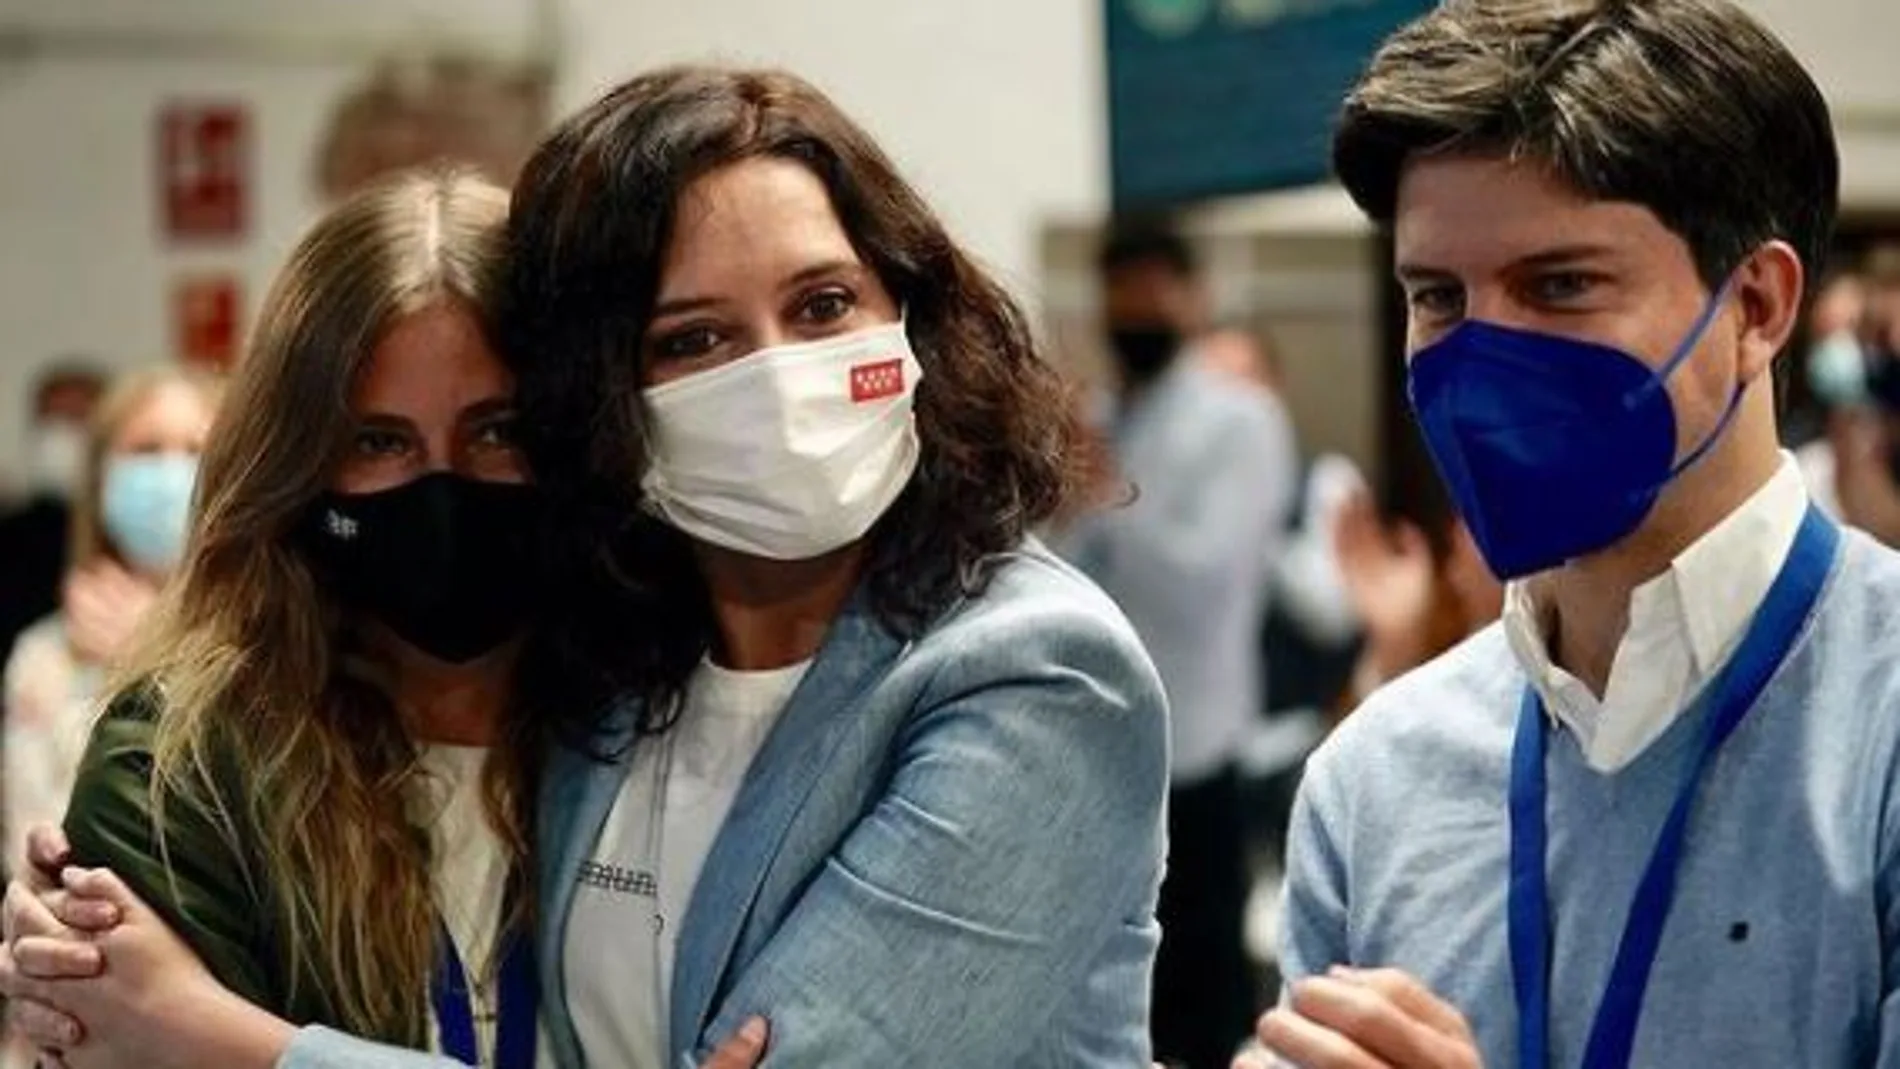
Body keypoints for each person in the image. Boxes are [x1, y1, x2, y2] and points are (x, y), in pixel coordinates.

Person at [5, 67, 1170, 1069]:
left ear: (909, 309)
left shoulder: (1030, 672)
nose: (776, 378)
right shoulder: (627, 677)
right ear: (611, 401)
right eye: (693, 338)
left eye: (822, 304)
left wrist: (227, 1039)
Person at [1243, 0, 1900, 1066]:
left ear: (1757, 308)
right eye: (1438, 297)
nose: (1485, 358)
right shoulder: (1373, 779)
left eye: (1560, 285)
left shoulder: (1876, 731)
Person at [1060, 224, 1295, 1069]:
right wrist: (1084, 500)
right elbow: (1059, 567)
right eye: (1121, 294)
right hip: (1094, 741)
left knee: (1203, 968)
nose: (1136, 311)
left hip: (1197, 735)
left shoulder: (1242, 420)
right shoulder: (1098, 415)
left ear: (1191, 298)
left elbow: (1206, 577)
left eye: (1154, 291)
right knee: (1115, 971)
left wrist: (1110, 493)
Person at [3, 367, 220, 870]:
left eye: (195, 451)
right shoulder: (44, 655)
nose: (171, 473)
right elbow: (33, 851)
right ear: (101, 478)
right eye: (145, 451)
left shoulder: (277, 640)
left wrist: (154, 658)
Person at [0, 365, 105, 665]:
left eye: (76, 419)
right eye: (52, 421)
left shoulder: (129, 532)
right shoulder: (11, 534)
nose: (61, 436)